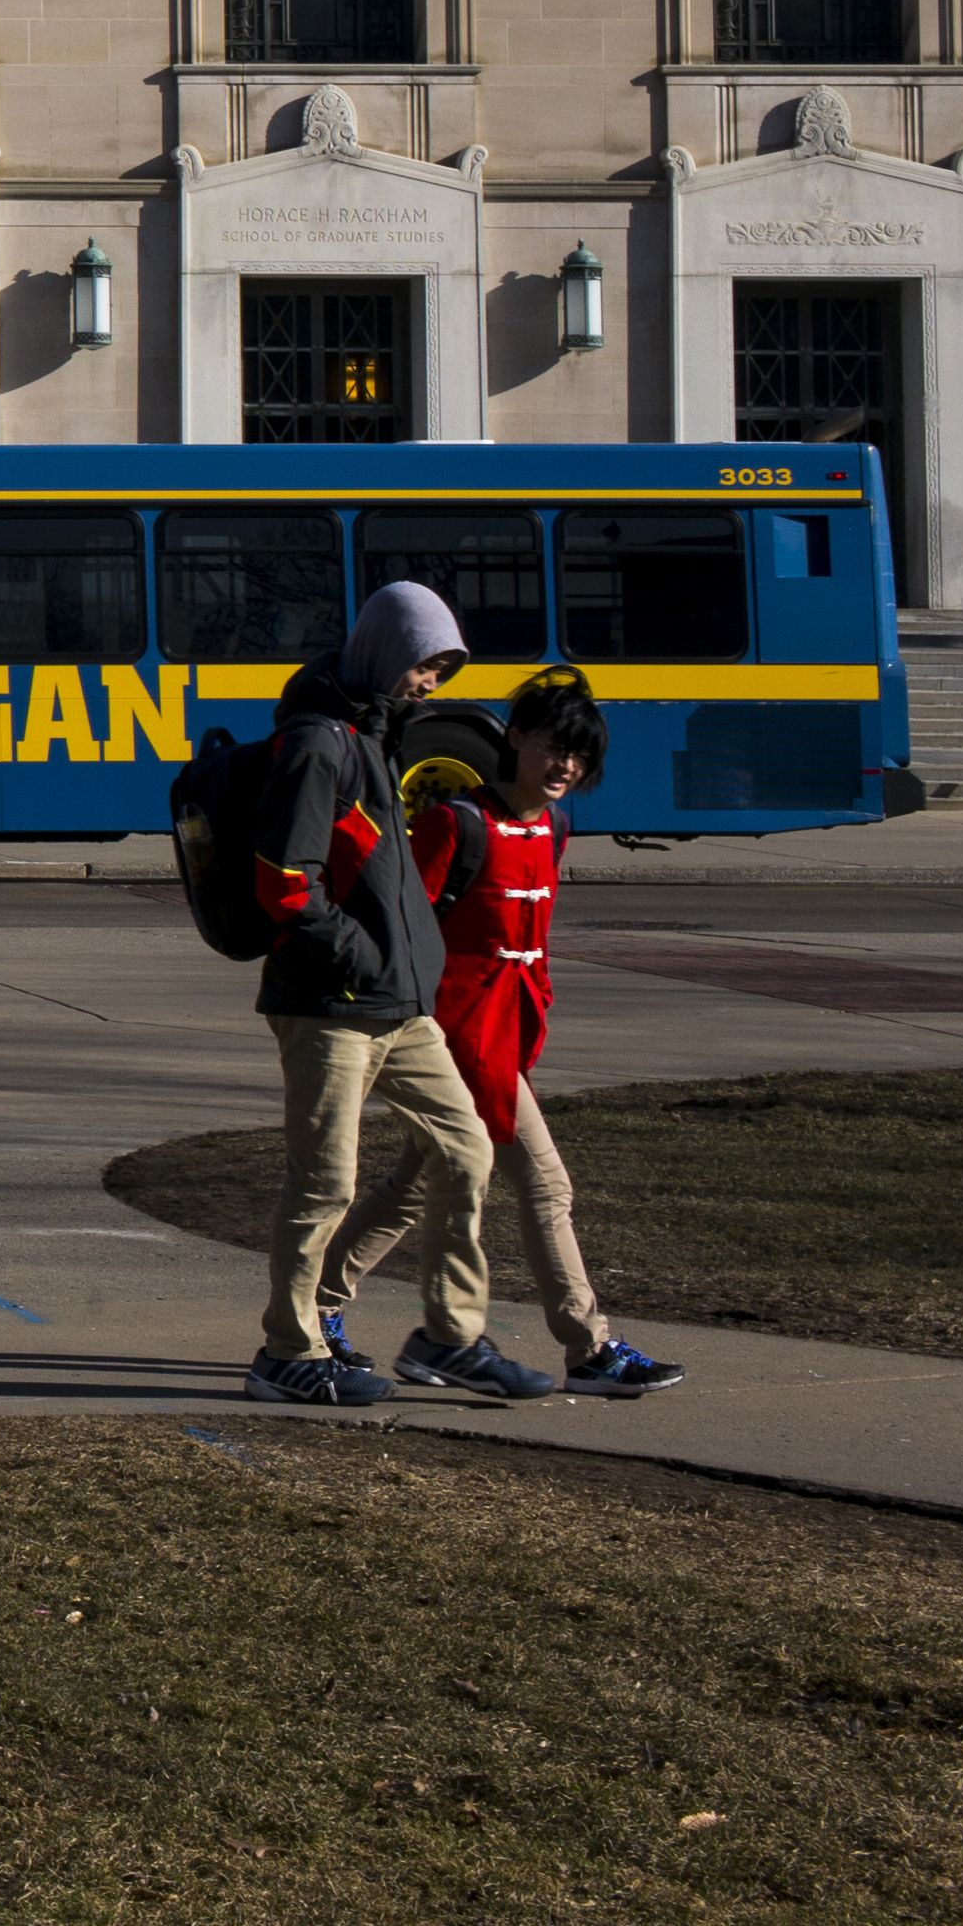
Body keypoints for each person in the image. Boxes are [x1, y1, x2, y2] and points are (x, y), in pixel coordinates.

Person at [321, 670, 686, 1398]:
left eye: (578, 755)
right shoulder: (455, 824)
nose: (564, 766)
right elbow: (401, 929)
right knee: (545, 1184)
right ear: (514, 739)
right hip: (451, 1041)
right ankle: (588, 1348)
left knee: (416, 1183)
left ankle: (317, 1307)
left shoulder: (552, 827)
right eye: (552, 746)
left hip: (506, 1035)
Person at [243, 580, 548, 1406]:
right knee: (322, 1184)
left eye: (442, 670)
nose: (430, 683)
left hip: (398, 1007)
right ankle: (286, 1351)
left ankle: (450, 1337)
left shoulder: (371, 735)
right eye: (424, 664)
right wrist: (360, 957)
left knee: (465, 1150)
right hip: (329, 1007)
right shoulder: (318, 743)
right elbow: (284, 884)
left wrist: (395, 968)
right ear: (385, 651)